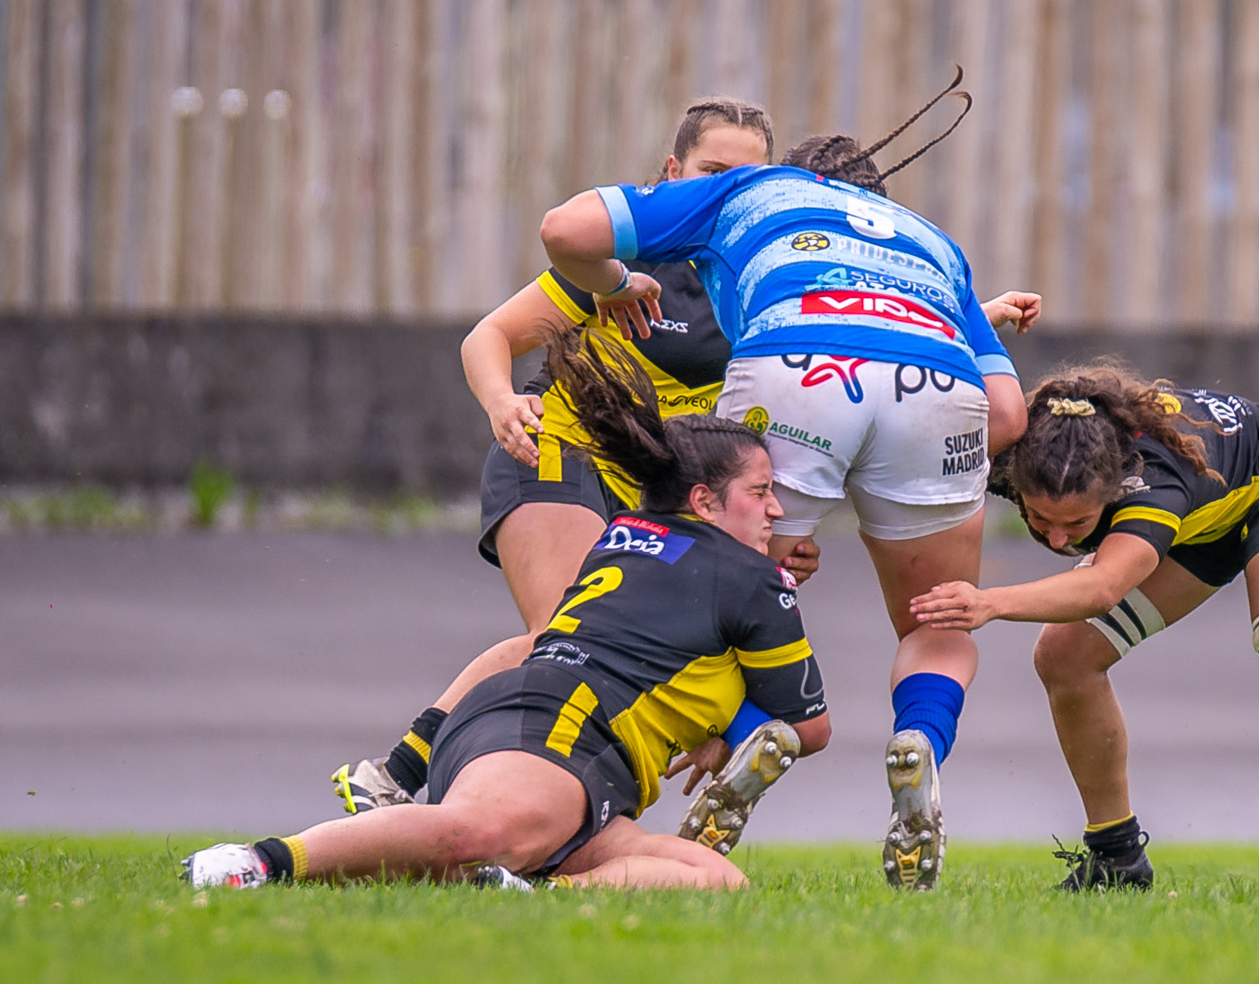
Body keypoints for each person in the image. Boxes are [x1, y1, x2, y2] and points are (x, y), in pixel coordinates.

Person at [538, 76, 1031, 890]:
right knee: (939, 620)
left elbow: (565, 229)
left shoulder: (748, 189)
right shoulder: (933, 240)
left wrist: (618, 284)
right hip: (940, 390)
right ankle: (918, 741)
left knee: (715, 588)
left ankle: (744, 727)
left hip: (796, 367)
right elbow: (1006, 414)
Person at [185, 332, 830, 892]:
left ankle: (524, 887)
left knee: (716, 880)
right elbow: (813, 726)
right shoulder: (751, 579)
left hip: (555, 743)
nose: (777, 510)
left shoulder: (630, 531)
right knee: (476, 832)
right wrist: (733, 730)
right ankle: (259, 863)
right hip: (557, 731)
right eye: (761, 492)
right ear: (703, 500)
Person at [331, 100, 823, 827]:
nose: (722, 191)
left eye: (745, 179)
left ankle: (558, 802)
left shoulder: (769, 281)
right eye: (710, 172)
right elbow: (487, 338)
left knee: (678, 640)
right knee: (569, 634)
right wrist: (502, 403)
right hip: (553, 450)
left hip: (649, 493)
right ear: (672, 174)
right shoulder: (618, 261)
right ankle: (401, 776)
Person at [910, 362, 1259, 901]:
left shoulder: (1152, 483)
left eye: (1077, 525)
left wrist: (988, 602)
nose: (1056, 539)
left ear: (1114, 487)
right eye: (1039, 518)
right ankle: (1116, 856)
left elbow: (1103, 587)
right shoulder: (1017, 448)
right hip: (1203, 513)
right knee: (1065, 656)